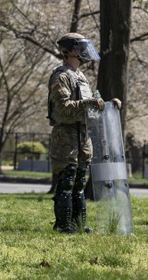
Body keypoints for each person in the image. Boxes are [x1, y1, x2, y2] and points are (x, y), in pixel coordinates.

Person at [47, 32, 120, 233]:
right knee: (67, 181)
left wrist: (108, 105)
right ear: (69, 51)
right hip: (67, 137)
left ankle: (79, 225)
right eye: (80, 47)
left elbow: (90, 107)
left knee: (79, 182)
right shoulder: (61, 76)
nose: (84, 51)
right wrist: (89, 103)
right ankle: (63, 225)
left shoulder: (81, 77)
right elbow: (63, 109)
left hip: (83, 137)